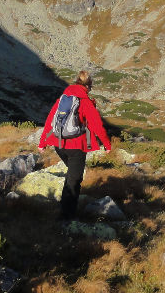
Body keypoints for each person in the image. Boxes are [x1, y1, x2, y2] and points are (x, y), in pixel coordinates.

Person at [38, 70, 112, 220]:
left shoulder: (63, 99)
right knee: (74, 180)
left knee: (72, 176)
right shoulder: (84, 101)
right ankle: (67, 217)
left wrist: (43, 142)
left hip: (58, 145)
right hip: (76, 147)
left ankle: (65, 208)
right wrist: (107, 145)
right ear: (88, 86)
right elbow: (97, 126)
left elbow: (50, 120)